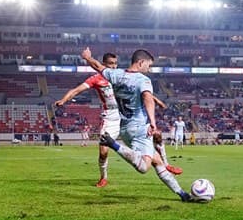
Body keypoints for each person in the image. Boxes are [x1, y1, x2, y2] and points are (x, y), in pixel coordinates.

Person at [81, 47, 193, 202]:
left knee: (157, 161)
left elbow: (99, 67)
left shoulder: (116, 74)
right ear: (140, 62)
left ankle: (182, 194)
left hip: (125, 128)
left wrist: (87, 58)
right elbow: (147, 98)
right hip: (140, 128)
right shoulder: (143, 80)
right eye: (149, 65)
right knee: (143, 167)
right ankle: (114, 145)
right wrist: (152, 122)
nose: (149, 69)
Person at [55, 53, 120, 187]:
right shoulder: (96, 79)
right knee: (103, 151)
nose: (114, 67)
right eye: (110, 64)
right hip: (110, 116)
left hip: (126, 114)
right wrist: (64, 100)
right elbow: (76, 90)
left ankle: (164, 165)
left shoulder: (121, 75)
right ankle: (104, 177)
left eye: (115, 63)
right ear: (104, 64)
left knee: (148, 137)